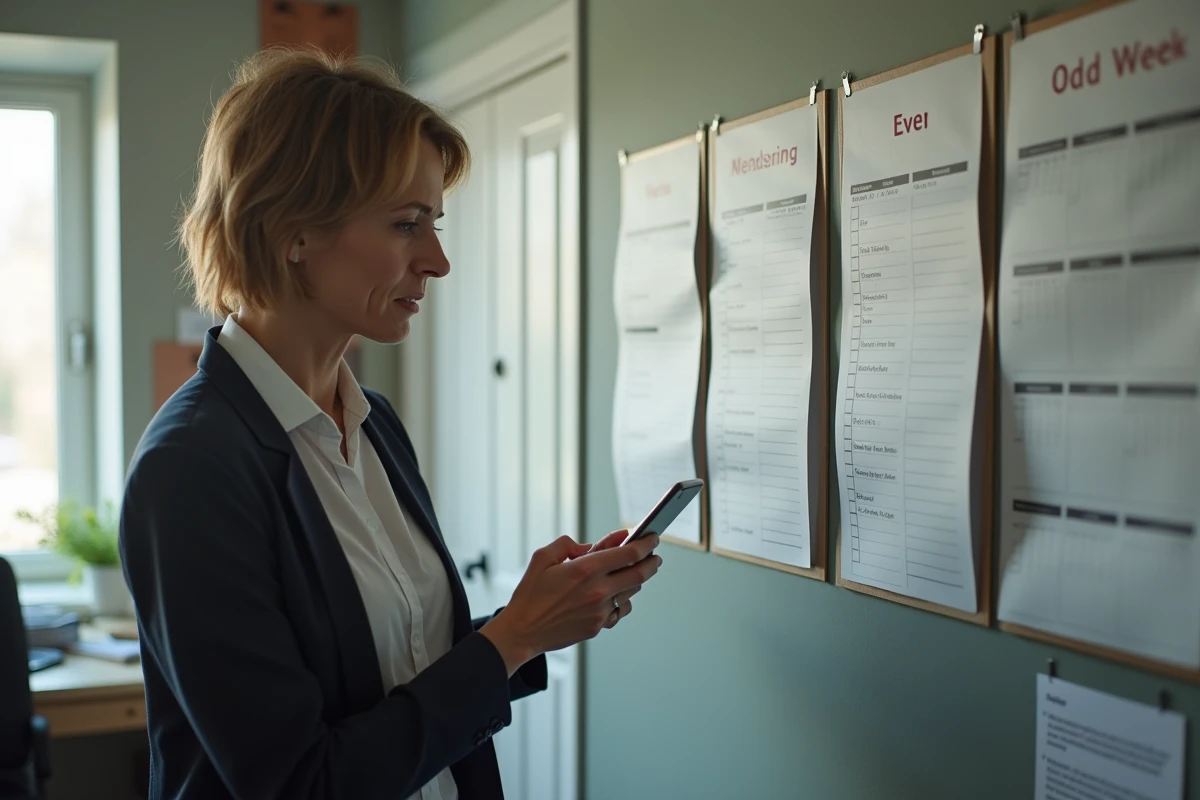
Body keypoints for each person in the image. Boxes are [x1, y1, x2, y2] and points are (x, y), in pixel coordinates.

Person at [119, 47, 662, 800]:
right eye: (408, 224)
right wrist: (512, 641)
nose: (437, 261)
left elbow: (399, 674)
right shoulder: (191, 470)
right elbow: (299, 783)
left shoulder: (376, 428)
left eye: (434, 222)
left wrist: (542, 619)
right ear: (293, 230)